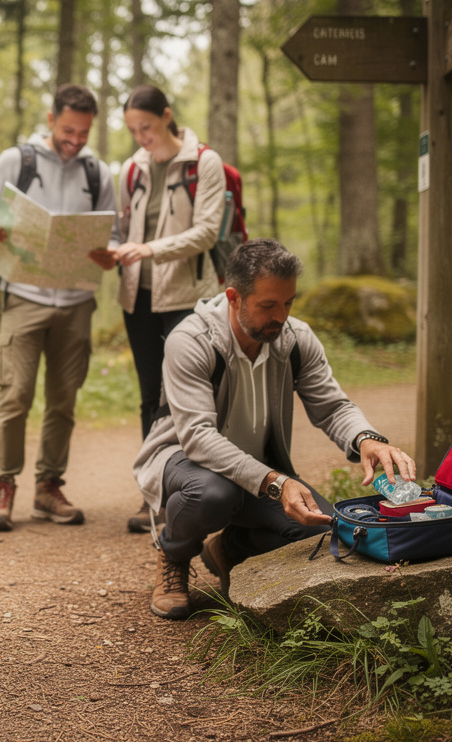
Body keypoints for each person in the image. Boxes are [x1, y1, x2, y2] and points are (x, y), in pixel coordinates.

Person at [131, 238, 417, 620]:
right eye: (268, 305)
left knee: (321, 531)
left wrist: (366, 439)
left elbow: (332, 406)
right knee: (212, 494)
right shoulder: (191, 340)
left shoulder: (296, 339)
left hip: (258, 471)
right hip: (187, 462)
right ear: (234, 298)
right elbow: (198, 437)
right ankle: (174, 555)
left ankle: (229, 549)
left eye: (288, 303)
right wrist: (277, 482)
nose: (280, 316)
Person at [0, 83, 120, 532]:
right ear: (51, 120)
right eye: (68, 130)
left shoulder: (98, 172)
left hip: (76, 301)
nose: (75, 140)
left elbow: (113, 232)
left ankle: (48, 487)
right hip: (23, 296)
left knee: (63, 400)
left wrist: (110, 252)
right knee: (14, 394)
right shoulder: (16, 160)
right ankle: (2, 486)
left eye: (84, 133)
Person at [95, 85, 227, 534]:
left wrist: (149, 249)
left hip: (187, 297)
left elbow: (206, 232)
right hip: (138, 297)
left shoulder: (203, 163)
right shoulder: (132, 168)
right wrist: (112, 251)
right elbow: (122, 230)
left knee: (182, 398)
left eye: (146, 127)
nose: (141, 137)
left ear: (167, 116)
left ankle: (185, 493)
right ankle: (153, 494)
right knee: (150, 395)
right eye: (133, 130)